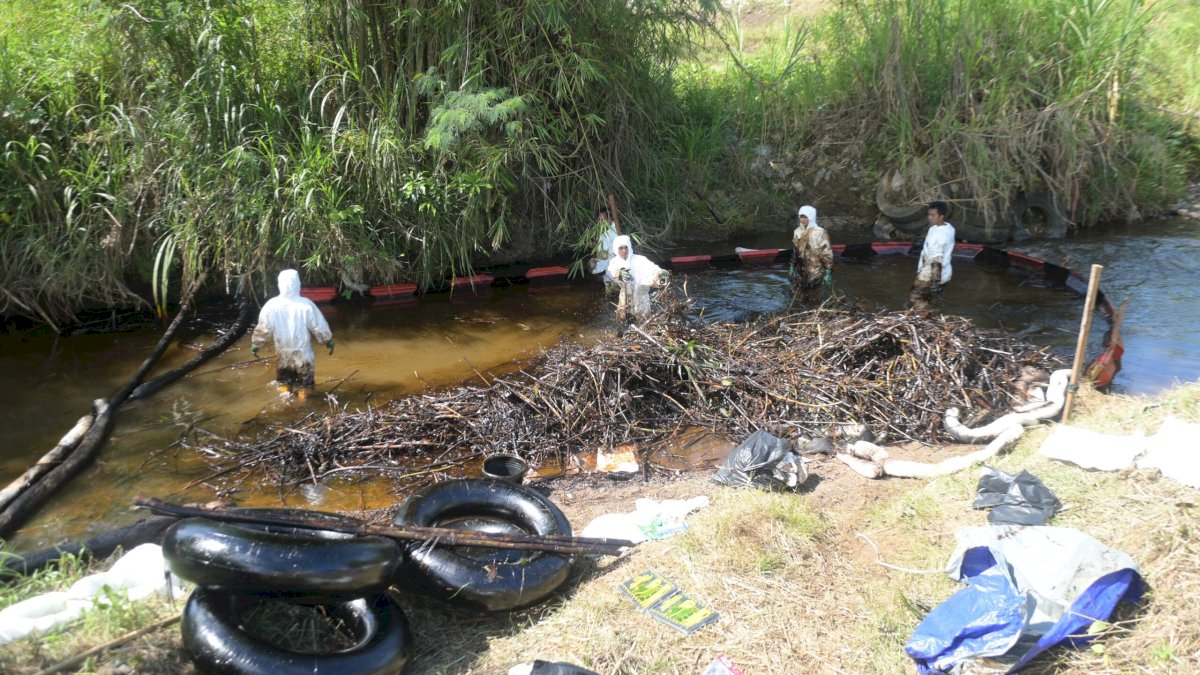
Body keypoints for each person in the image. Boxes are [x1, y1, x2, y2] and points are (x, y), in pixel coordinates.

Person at [251, 269, 334, 395]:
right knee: (305, 385)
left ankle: (286, 402)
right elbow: (319, 325)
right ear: (298, 284)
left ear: (280, 284)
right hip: (303, 353)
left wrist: (256, 344)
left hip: (283, 353)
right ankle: (304, 402)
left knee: (284, 383)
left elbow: (263, 328)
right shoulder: (306, 304)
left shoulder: (271, 305)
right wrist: (328, 340)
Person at [605, 235, 668, 322]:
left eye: (626, 247)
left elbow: (653, 269)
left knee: (643, 323)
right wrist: (618, 273)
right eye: (621, 248)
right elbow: (610, 272)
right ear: (616, 249)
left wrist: (660, 274)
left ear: (629, 247)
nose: (624, 250)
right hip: (624, 299)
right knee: (622, 322)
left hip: (641, 299)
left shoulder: (639, 260)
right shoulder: (614, 262)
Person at [910, 201, 956, 309]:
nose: (929, 217)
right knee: (932, 302)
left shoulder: (940, 236)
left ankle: (921, 316)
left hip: (930, 275)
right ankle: (931, 315)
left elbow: (936, 260)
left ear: (941, 216)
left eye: (933, 215)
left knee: (916, 299)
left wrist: (934, 283)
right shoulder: (948, 228)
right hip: (945, 273)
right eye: (929, 214)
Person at [790, 205, 834, 303]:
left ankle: (815, 309)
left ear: (811, 217)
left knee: (813, 298)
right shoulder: (797, 232)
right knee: (797, 297)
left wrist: (828, 271)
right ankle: (798, 310)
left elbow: (826, 253)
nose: (803, 219)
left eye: (806, 217)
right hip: (799, 270)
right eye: (801, 217)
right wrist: (792, 266)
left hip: (815, 271)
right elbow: (795, 251)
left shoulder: (820, 233)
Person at [587, 207, 620, 276]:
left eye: (603, 219)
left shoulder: (605, 236)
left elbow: (603, 260)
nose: (600, 222)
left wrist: (594, 269)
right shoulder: (616, 228)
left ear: (609, 218)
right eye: (599, 219)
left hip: (614, 272)